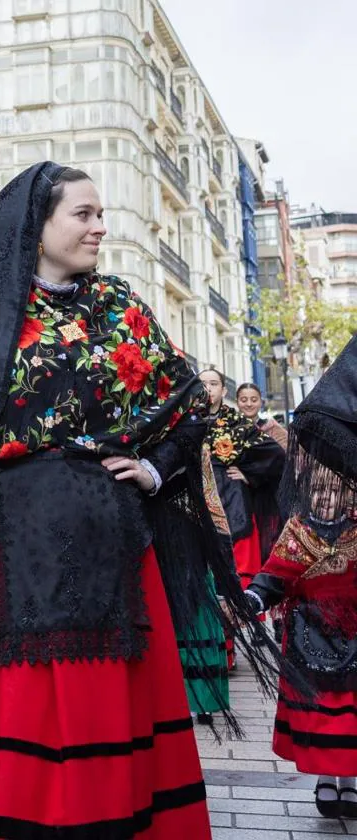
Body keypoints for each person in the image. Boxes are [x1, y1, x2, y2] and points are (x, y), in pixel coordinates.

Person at [0, 163, 278, 837]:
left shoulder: (121, 308)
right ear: (35, 225)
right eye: (84, 213)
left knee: (111, 706)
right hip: (5, 539)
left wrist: (155, 470)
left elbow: (191, 404)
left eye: (101, 214)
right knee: (15, 708)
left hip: (113, 538)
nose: (101, 226)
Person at [246, 336, 357, 818]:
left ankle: (349, 781)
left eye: (341, 489)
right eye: (324, 487)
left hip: (354, 635)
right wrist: (251, 597)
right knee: (324, 718)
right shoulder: (301, 528)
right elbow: (276, 574)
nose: (330, 496)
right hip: (311, 632)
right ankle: (328, 782)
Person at [199, 369, 286, 589]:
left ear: (223, 389)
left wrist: (248, 475)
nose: (208, 388)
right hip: (196, 499)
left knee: (241, 568)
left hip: (232, 499)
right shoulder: (185, 419)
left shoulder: (236, 421)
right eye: (202, 383)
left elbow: (276, 454)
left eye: (213, 383)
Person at [237, 382, 289, 449]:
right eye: (244, 400)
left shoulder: (273, 428)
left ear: (261, 402)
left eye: (254, 400)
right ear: (237, 402)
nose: (249, 404)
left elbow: (293, 454)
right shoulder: (229, 429)